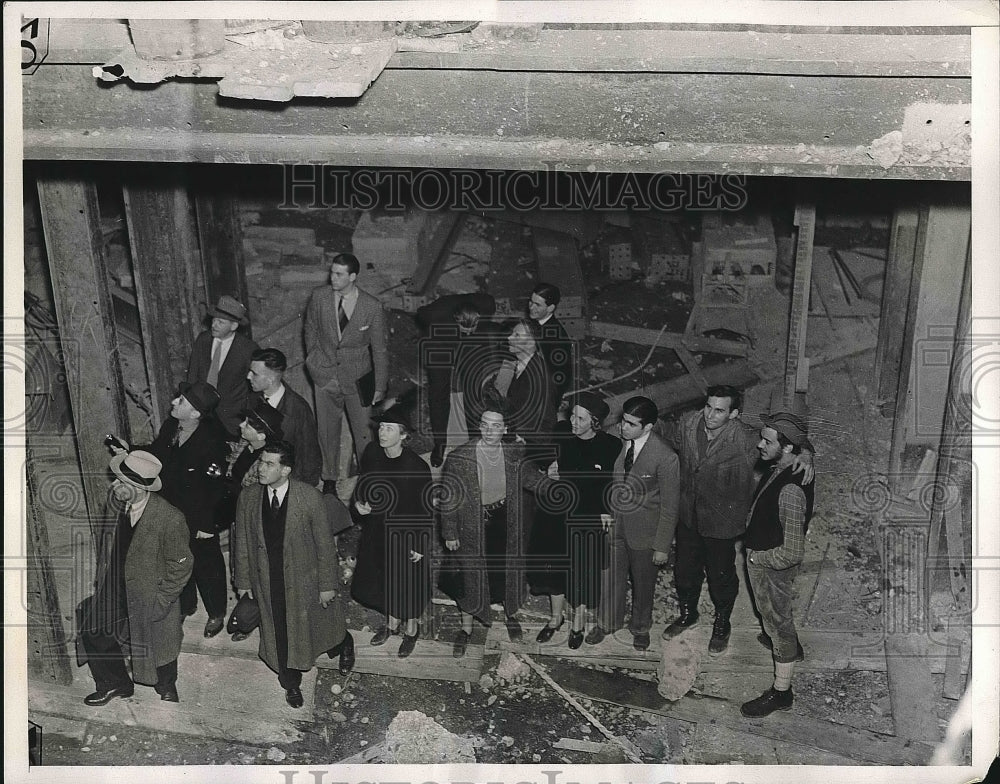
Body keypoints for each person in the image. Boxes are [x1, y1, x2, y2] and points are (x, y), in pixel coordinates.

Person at [660, 385, 813, 654]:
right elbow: (660, 429)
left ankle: (722, 623)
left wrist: (806, 454)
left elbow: (785, 442)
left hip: (721, 523)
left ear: (733, 415)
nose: (710, 415)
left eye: (719, 411)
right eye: (708, 406)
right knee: (685, 570)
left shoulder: (745, 438)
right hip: (687, 517)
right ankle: (688, 614)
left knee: (721, 577)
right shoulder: (688, 423)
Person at [232, 441, 355, 708]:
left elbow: (325, 545)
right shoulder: (249, 497)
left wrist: (327, 584)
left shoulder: (309, 497)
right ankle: (290, 682)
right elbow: (241, 540)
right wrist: (242, 580)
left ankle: (344, 643)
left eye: (269, 464)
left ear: (285, 469)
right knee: (279, 632)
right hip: (267, 580)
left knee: (320, 625)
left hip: (304, 578)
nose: (261, 468)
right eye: (261, 461)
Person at [77, 450, 192, 705]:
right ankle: (115, 684)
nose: (114, 485)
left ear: (140, 488)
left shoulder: (169, 518)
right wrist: (101, 578)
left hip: (150, 590)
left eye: (121, 482)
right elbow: (107, 544)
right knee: (95, 630)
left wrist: (163, 600)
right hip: (115, 582)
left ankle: (166, 685)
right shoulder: (115, 503)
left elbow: (181, 565)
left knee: (159, 643)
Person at [440, 399, 543, 657]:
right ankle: (466, 629)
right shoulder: (459, 458)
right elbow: (449, 499)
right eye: (484, 425)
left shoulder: (513, 454)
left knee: (505, 571)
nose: (488, 431)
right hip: (471, 525)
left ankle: (510, 614)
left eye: (495, 426)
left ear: (505, 429)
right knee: (468, 577)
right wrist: (450, 533)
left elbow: (534, 479)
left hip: (503, 521)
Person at [586, 396, 679, 652]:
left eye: (630, 424)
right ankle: (606, 623)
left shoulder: (666, 456)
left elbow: (670, 507)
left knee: (643, 583)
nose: (622, 427)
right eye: (622, 421)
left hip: (646, 534)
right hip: (615, 527)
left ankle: (640, 627)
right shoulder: (619, 445)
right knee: (610, 579)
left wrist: (662, 546)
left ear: (648, 427)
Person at [529, 392, 619, 649]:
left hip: (586, 515)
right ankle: (555, 618)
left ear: (595, 422)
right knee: (553, 567)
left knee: (582, 570)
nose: (573, 422)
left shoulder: (609, 446)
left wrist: (603, 509)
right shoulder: (562, 433)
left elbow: (608, 483)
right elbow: (541, 455)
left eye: (580, 418)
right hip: (555, 514)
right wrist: (549, 468)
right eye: (572, 415)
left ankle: (577, 624)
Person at [741, 412, 815, 717]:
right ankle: (790, 646)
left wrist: (759, 558)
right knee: (773, 614)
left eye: (767, 441)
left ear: (786, 448)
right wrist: (808, 453)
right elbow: (806, 440)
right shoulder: (797, 460)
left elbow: (792, 553)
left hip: (770, 564)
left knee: (776, 622)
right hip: (766, 553)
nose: (760, 444)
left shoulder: (791, 491)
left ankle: (782, 692)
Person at [143, 381, 229, 638]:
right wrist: (131, 450)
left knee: (206, 565)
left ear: (196, 414)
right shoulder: (172, 426)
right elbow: (157, 453)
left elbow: (215, 490)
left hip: (198, 516)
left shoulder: (212, 441)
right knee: (176, 560)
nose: (173, 402)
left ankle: (216, 612)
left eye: (181, 401)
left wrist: (206, 526)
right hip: (171, 511)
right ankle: (187, 604)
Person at [351, 404, 434, 659]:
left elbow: (425, 509)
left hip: (406, 534)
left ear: (403, 435)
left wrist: (420, 546)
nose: (382, 433)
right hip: (377, 530)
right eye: (381, 427)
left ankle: (411, 630)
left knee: (406, 583)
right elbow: (363, 483)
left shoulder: (417, 467)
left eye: (389, 429)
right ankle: (391, 624)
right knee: (383, 579)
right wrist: (358, 503)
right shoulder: (372, 453)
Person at [304, 252, 388, 494]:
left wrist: (380, 386)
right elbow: (310, 329)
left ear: (353, 276)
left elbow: (380, 349)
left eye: (339, 274)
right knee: (327, 430)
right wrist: (314, 360)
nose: (332, 278)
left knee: (363, 431)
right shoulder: (319, 297)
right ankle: (329, 477)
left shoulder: (371, 306)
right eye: (332, 272)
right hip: (325, 376)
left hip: (358, 379)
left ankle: (368, 478)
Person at [415, 293, 502, 467]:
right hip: (439, 344)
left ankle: (475, 443)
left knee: (473, 391)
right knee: (438, 392)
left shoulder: (486, 304)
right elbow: (420, 314)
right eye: (465, 331)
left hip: (470, 348)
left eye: (472, 330)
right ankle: (440, 444)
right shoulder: (433, 315)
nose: (468, 333)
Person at [246, 347, 322, 487]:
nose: (248, 376)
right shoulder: (252, 399)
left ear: (271, 379)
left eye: (254, 374)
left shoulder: (298, 410)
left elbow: (308, 456)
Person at [186, 295, 259, 440]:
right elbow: (192, 376)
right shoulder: (203, 340)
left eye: (221, 322)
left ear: (234, 326)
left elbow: (254, 388)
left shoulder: (248, 349)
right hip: (201, 416)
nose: (214, 325)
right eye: (213, 320)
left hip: (231, 421)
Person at [493, 318, 556, 463]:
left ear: (532, 342)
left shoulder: (540, 379)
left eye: (516, 335)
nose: (509, 338)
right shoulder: (515, 364)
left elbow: (546, 424)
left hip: (530, 452)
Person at [527, 282, 575, 412]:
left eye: (537, 305)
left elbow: (560, 376)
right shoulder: (539, 324)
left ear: (550, 308)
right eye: (531, 302)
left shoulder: (554, 336)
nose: (531, 307)